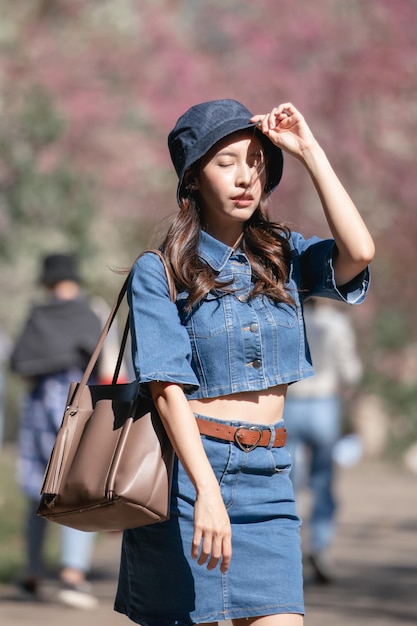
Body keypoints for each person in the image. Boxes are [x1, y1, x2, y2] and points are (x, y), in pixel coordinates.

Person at [114, 99, 374, 626]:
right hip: (188, 479)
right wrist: (206, 490)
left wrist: (308, 150)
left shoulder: (283, 255)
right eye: (226, 162)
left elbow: (359, 252)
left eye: (257, 161)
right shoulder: (160, 271)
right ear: (193, 178)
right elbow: (166, 389)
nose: (245, 176)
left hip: (270, 478)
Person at [10, 253, 102, 609]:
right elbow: (101, 361)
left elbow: (19, 363)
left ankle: (33, 573)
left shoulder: (38, 315)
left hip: (37, 410)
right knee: (74, 490)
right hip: (75, 407)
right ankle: (72, 576)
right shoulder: (86, 313)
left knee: (38, 489)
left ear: (47, 283)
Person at [283, 298, 363, 584]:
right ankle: (321, 545)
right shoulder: (337, 323)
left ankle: (286, 547)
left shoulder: (293, 316)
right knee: (323, 481)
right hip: (324, 405)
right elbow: (351, 371)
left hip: (291, 404)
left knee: (288, 481)